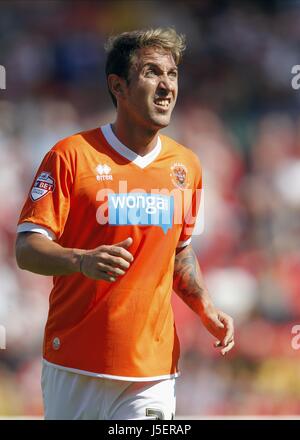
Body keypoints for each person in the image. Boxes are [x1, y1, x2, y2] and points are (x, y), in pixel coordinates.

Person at [15, 27, 234, 420]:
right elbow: (27, 247)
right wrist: (80, 261)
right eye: (152, 72)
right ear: (118, 86)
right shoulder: (71, 156)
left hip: (152, 370)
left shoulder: (187, 166)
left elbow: (180, 250)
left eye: (173, 74)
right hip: (75, 365)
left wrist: (204, 306)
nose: (167, 86)